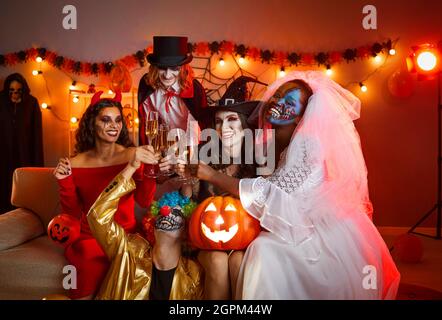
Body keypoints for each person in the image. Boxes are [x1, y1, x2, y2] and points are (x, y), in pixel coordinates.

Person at [194, 71, 401, 299]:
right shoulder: (281, 143)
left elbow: (271, 193)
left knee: (263, 251)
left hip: (317, 233)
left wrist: (211, 175)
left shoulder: (307, 144)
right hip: (299, 222)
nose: (277, 102)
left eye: (289, 102)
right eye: (278, 96)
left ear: (300, 116)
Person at [53, 91, 157, 299]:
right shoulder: (75, 163)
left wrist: (149, 170)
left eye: (118, 120)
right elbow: (71, 213)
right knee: (89, 261)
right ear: (92, 124)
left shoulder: (132, 155)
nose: (114, 125)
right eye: (106, 120)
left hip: (124, 235)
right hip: (90, 236)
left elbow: (144, 201)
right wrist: (64, 182)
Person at [181, 76, 264, 299]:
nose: (224, 127)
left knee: (238, 261)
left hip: (245, 240)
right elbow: (187, 206)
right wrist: (186, 183)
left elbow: (263, 202)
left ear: (244, 123)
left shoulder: (259, 160)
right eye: (218, 121)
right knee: (218, 261)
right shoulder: (202, 155)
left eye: (232, 120)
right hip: (205, 242)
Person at [86, 156, 203, 300]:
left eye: (177, 212)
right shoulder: (129, 251)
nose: (166, 211)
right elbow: (97, 216)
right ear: (151, 223)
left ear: (187, 231)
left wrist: (188, 180)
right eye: (162, 210)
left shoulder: (194, 275)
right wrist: (131, 167)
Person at [0, 73, 43, 213]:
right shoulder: (0, 101)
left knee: (23, 187)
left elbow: (37, 134)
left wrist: (37, 165)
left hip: (24, 153)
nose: (14, 94)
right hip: (3, 153)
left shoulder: (31, 103)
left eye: (18, 90)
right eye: (11, 90)